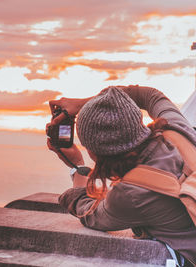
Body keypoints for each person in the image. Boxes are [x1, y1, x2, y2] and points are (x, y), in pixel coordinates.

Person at [46, 85, 196, 266]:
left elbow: (90, 214)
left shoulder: (131, 193)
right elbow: (150, 95)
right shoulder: (177, 130)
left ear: (93, 152)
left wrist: (77, 167)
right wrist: (82, 104)